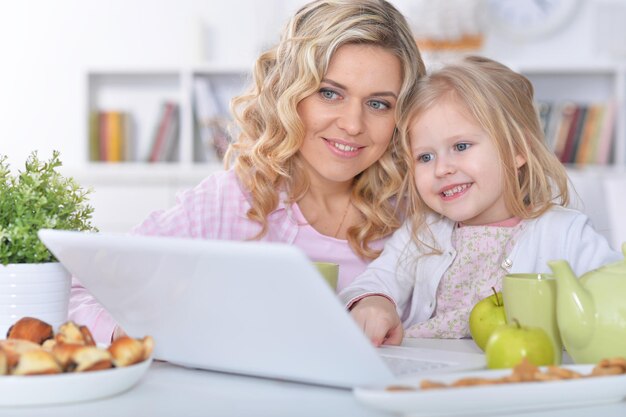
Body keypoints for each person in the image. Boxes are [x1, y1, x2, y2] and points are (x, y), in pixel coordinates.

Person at [70, 0, 425, 343]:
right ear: (289, 92)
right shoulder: (227, 204)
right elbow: (79, 288)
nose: (352, 124)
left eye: (378, 104)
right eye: (330, 94)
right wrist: (124, 330)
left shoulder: (420, 217)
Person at [339, 56, 622, 347]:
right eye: (425, 157)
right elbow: (373, 282)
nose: (442, 169)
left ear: (516, 150)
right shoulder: (421, 234)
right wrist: (375, 302)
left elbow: (614, 295)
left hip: (522, 380)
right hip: (430, 378)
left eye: (461, 146)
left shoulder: (565, 234)